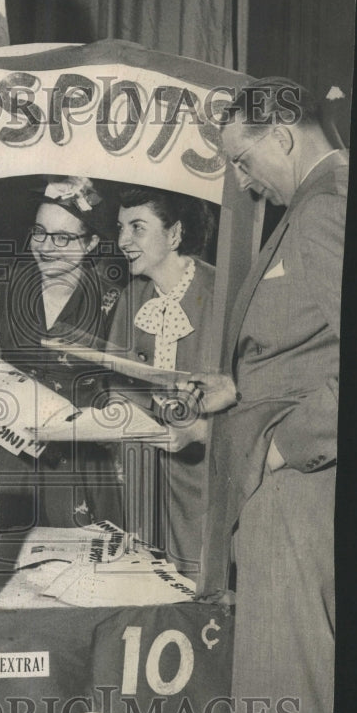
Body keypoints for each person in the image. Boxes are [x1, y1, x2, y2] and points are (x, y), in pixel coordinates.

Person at [182, 78, 346, 713]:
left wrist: (283, 446)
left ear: (281, 137)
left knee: (279, 694)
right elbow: (308, 345)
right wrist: (233, 390)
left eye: (243, 161)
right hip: (292, 488)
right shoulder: (318, 203)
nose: (244, 182)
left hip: (300, 493)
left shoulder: (328, 206)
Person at [0, 176, 122, 532]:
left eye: (62, 237)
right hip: (7, 454)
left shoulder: (115, 303)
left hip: (76, 462)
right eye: (39, 232)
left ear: (91, 244)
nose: (46, 246)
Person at [109, 185, 216, 578]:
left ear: (174, 234)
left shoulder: (222, 294)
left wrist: (200, 430)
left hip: (205, 484)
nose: (122, 241)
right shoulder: (132, 297)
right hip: (143, 483)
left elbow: (251, 399)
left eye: (137, 228)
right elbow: (118, 385)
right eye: (120, 228)